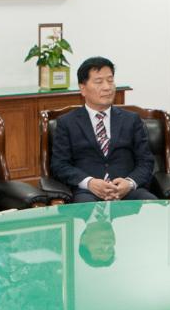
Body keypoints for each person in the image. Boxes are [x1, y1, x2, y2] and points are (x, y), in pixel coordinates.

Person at [48, 56, 156, 203]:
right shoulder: (67, 123)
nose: (107, 87)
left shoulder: (132, 120)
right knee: (87, 214)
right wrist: (89, 182)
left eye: (110, 80)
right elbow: (59, 165)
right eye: (99, 81)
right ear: (83, 88)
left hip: (128, 192)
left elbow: (146, 161)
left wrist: (129, 183)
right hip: (88, 193)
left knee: (154, 211)